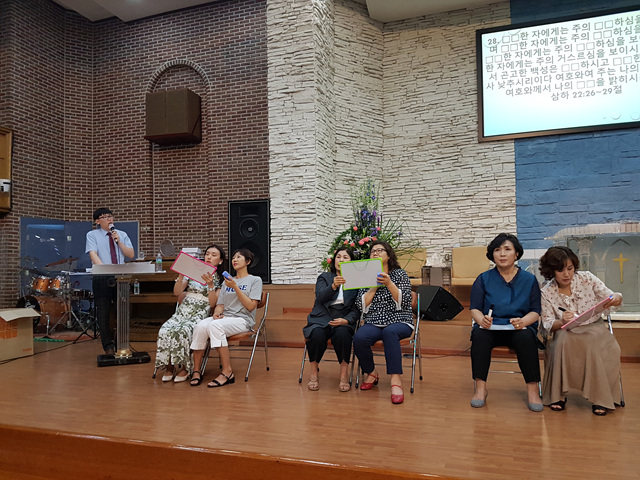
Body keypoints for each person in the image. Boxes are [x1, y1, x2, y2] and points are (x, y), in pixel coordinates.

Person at [539, 246, 623, 416]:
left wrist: (616, 298)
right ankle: (558, 395)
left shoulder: (587, 278)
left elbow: (611, 295)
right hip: (565, 330)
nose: (566, 274)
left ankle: (600, 398)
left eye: (570, 268)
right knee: (561, 341)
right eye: (560, 270)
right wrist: (562, 321)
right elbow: (547, 323)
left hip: (594, 327)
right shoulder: (546, 292)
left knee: (591, 342)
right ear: (551, 271)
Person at [469, 233, 543, 412]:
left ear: (516, 254)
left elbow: (536, 311)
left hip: (519, 328)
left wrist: (523, 321)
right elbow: (475, 308)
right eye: (497, 250)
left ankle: (533, 390)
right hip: (491, 327)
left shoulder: (529, 279)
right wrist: (482, 320)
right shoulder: (483, 278)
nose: (502, 254)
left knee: (526, 338)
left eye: (507, 249)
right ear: (492, 254)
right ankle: (480, 389)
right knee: (479, 335)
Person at [189, 248, 263, 387]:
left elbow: (251, 306)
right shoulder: (226, 281)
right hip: (225, 318)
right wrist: (217, 312)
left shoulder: (255, 280)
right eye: (233, 257)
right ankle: (196, 370)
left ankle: (227, 372)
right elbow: (220, 305)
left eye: (239, 257)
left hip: (243, 320)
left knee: (214, 326)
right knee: (200, 326)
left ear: (248, 261)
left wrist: (235, 287)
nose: (235, 259)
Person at [353, 241, 413, 404]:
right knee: (359, 338)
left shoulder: (399, 274)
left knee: (389, 332)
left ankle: (396, 380)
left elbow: (405, 301)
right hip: (374, 320)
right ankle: (372, 372)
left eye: (380, 250)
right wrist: (374, 287)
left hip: (400, 319)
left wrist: (389, 284)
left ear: (389, 255)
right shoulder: (366, 277)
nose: (375, 253)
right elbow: (361, 305)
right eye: (373, 251)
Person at [155, 245, 225, 383]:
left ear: (220, 260)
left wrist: (210, 286)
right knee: (165, 329)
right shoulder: (193, 272)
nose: (209, 257)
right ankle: (169, 366)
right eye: (207, 254)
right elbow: (177, 292)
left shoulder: (219, 280)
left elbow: (212, 304)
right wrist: (181, 275)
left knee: (185, 330)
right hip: (184, 309)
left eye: (214, 255)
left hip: (201, 311)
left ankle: (185, 368)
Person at [303, 246, 360, 392]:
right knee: (316, 335)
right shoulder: (325, 277)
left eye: (345, 257)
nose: (341, 260)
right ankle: (314, 373)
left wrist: (346, 320)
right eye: (338, 257)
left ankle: (344, 375)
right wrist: (333, 285)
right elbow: (321, 297)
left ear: (352, 261)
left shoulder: (356, 281)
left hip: (343, 318)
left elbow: (357, 307)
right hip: (321, 317)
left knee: (342, 335)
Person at [85, 208, 135, 355]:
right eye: (104, 217)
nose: (109, 219)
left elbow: (131, 254)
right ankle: (108, 346)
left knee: (122, 311)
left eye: (110, 216)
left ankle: (121, 344)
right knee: (103, 312)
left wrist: (119, 242)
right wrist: (104, 270)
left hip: (121, 277)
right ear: (97, 221)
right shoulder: (92, 235)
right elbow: (93, 254)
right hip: (102, 276)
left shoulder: (122, 234)